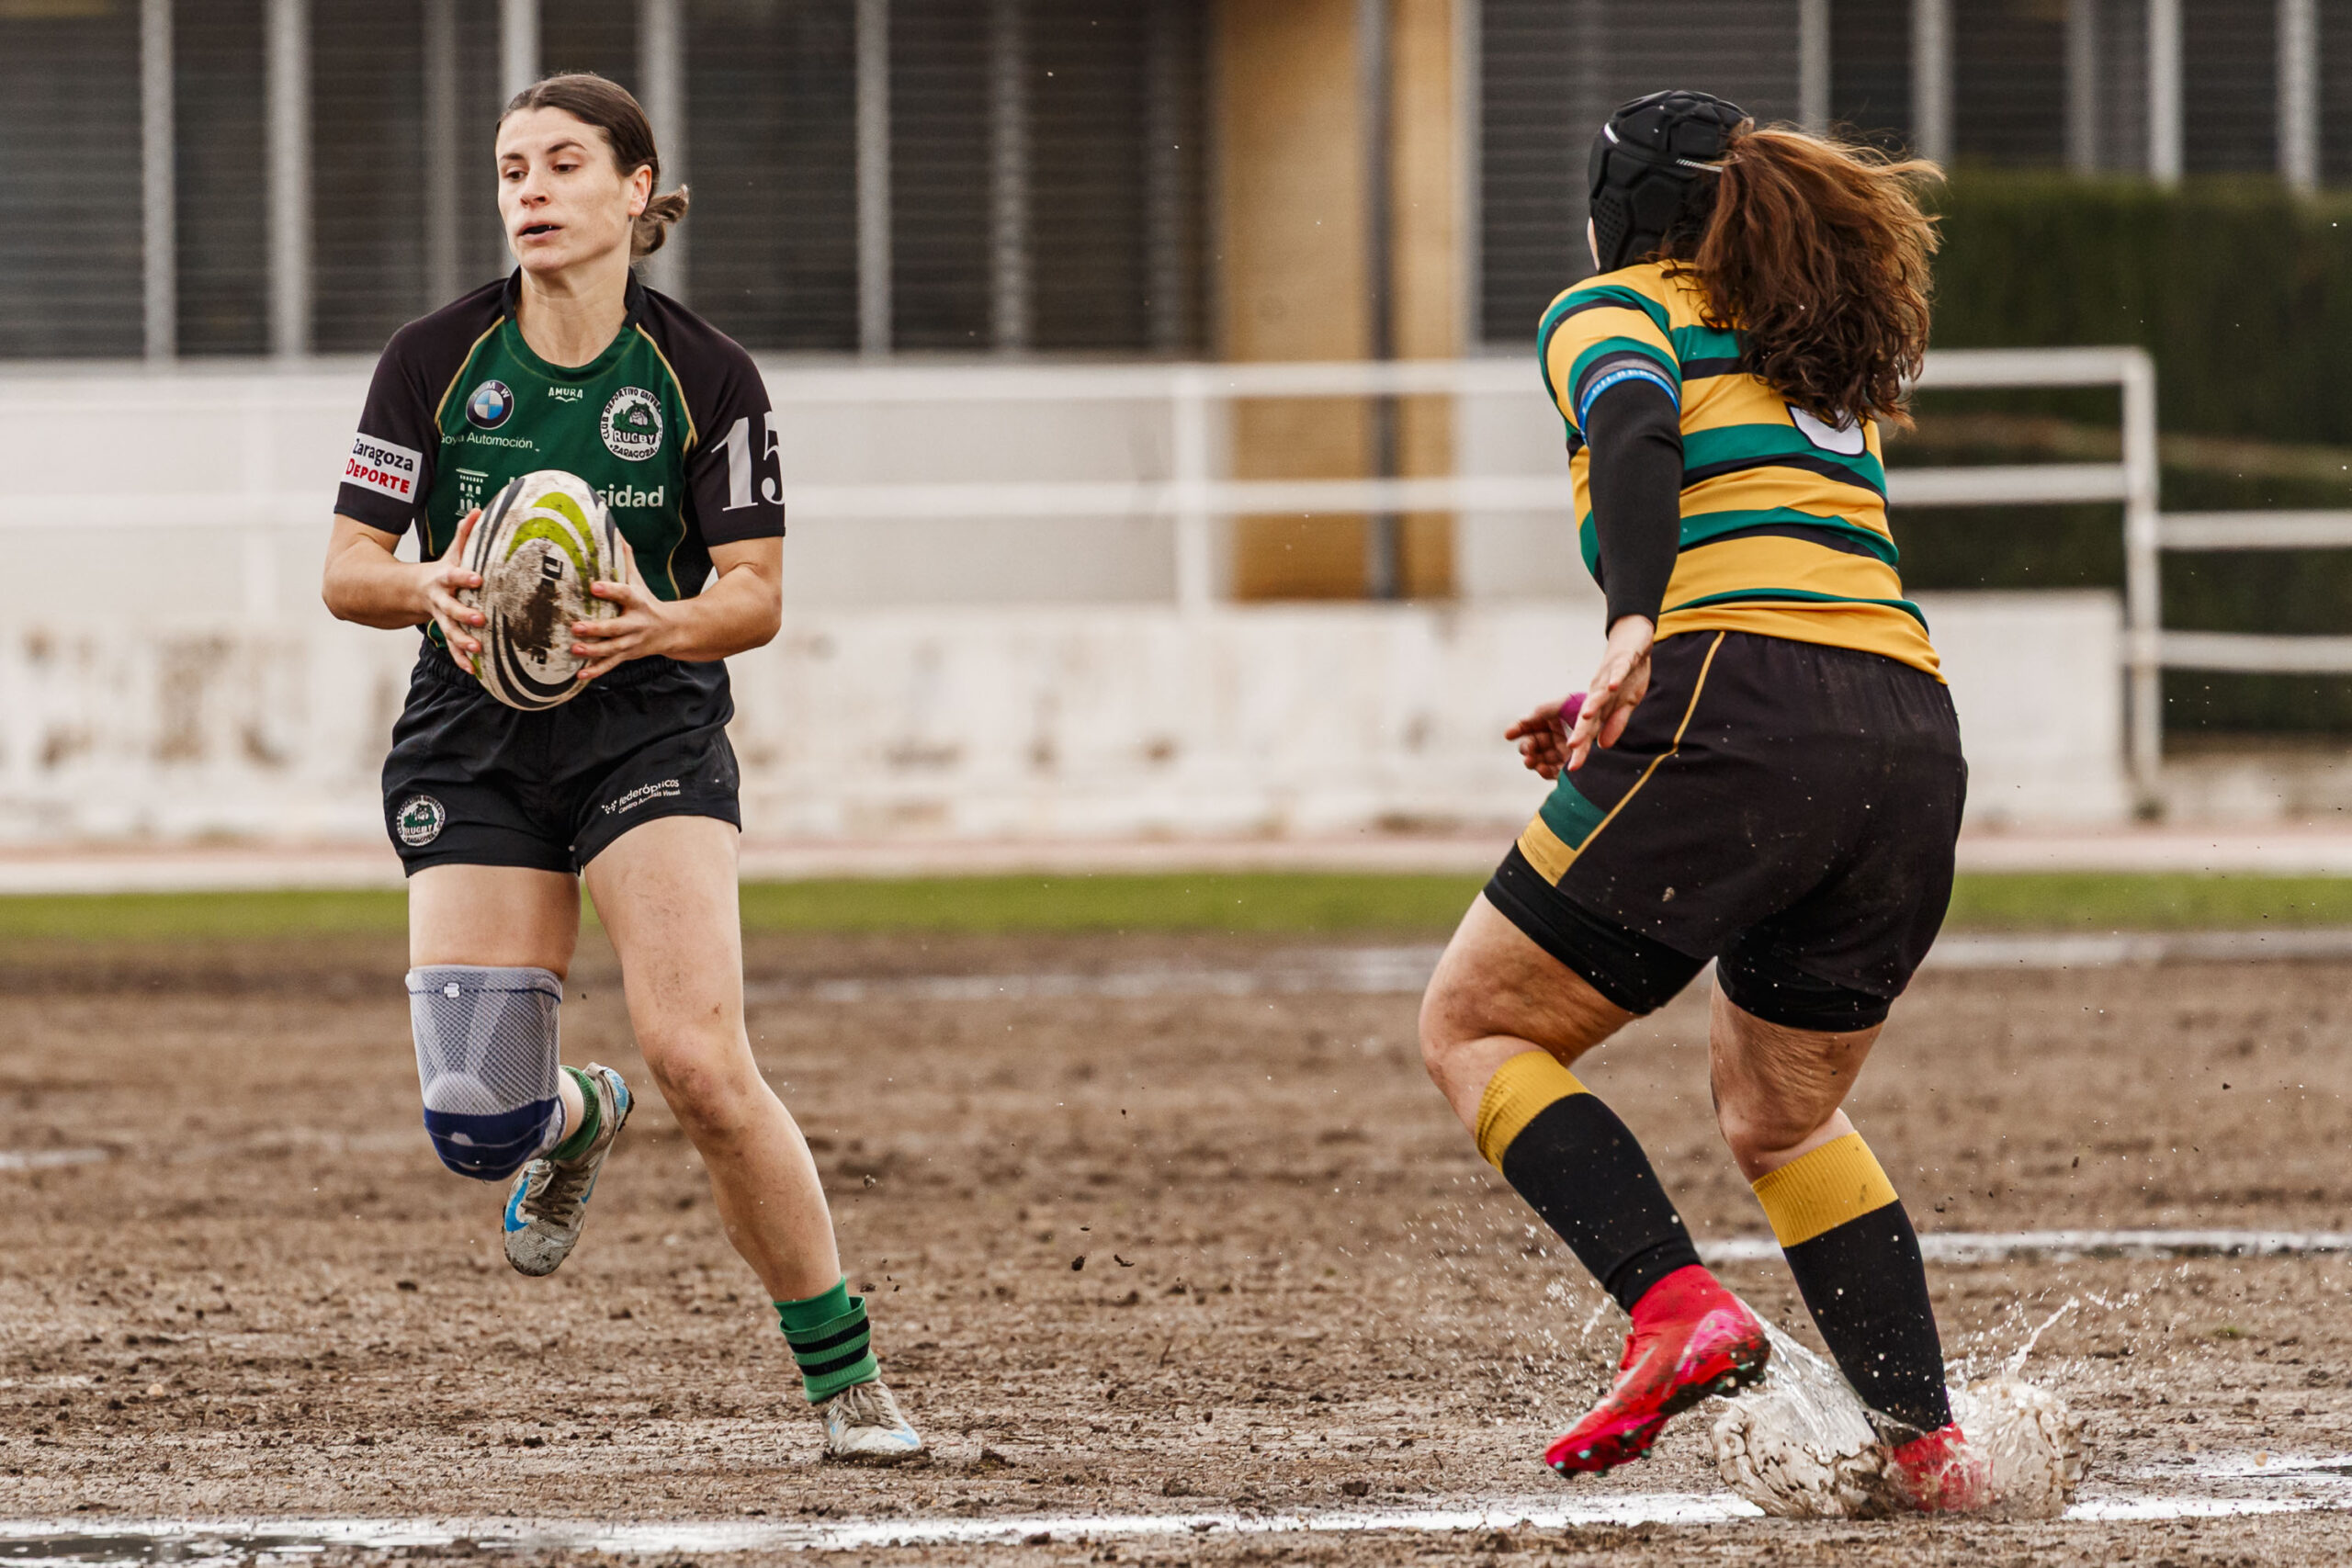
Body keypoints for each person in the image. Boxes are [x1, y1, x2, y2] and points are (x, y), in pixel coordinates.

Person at [320, 73, 922, 1465]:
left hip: (646, 721)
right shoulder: (433, 358)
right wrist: (430, 589)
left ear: (635, 190)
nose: (529, 191)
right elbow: (347, 569)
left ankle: (846, 1383)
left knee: (702, 1061)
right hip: (470, 731)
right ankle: (579, 1115)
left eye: (562, 164)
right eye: (510, 169)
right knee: (478, 1121)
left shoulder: (707, 375)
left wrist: (661, 621)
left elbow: (754, 594)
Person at [1417, 91, 1984, 1509]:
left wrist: (1634, 631)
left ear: (1615, 210)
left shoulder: (1613, 308)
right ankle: (1931, 1447)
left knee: (1476, 1026)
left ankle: (1675, 1311)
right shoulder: (1806, 344)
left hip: (1734, 700)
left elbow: (1634, 431)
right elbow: (1788, 559)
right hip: (1907, 734)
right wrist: (1638, 671)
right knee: (1784, 1121)